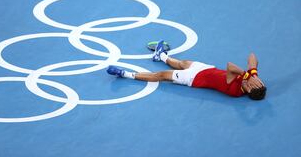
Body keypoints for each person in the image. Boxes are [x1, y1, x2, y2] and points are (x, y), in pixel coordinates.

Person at [107, 40, 266, 100]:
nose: (252, 83)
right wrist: (253, 72)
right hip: (205, 68)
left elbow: (230, 66)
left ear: (249, 89)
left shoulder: (235, 90)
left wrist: (247, 74)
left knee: (161, 75)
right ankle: (161, 56)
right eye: (256, 83)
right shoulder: (251, 81)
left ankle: (124, 74)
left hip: (194, 79)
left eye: (252, 85)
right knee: (182, 63)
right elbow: (252, 56)